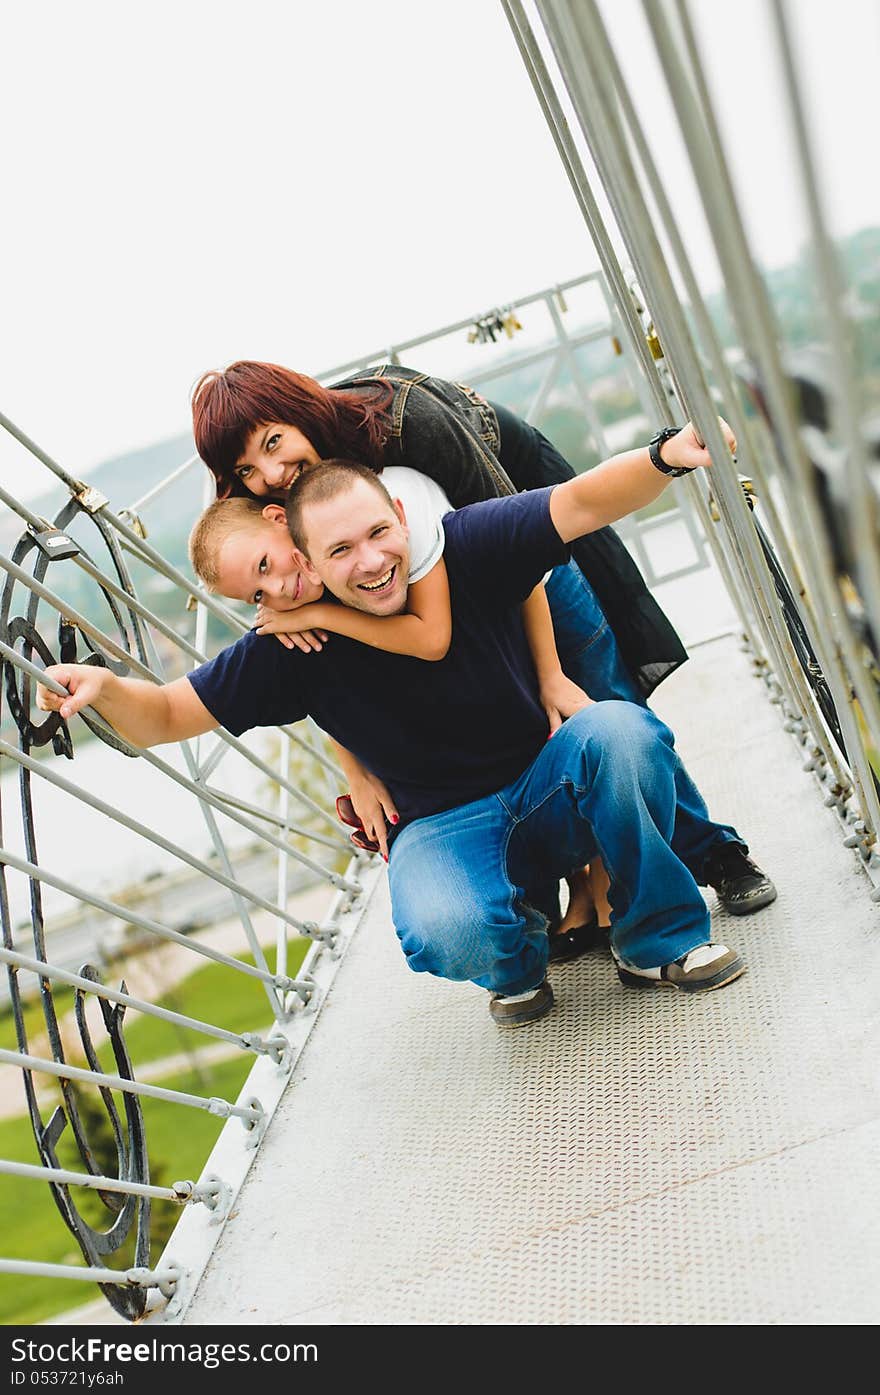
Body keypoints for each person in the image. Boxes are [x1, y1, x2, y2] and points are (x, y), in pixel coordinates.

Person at [37, 421, 769, 1028]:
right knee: (444, 923)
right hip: (444, 825)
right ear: (309, 551)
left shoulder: (454, 546)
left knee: (623, 734)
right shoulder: (288, 646)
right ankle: (517, 963)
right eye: (338, 554)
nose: (367, 562)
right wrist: (104, 686)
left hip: (546, 781)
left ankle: (659, 938)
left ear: (395, 512)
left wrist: (666, 454)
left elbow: (580, 502)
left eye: (377, 534)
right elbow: (166, 712)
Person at [188, 360, 777, 946]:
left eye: (274, 442)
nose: (270, 472)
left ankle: (713, 854)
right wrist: (355, 767)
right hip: (417, 571)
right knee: (517, 723)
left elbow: (517, 564)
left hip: (520, 516)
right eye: (246, 468)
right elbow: (326, 668)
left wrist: (547, 673)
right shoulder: (277, 527)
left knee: (598, 702)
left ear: (299, 411)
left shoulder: (403, 421)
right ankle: (576, 887)